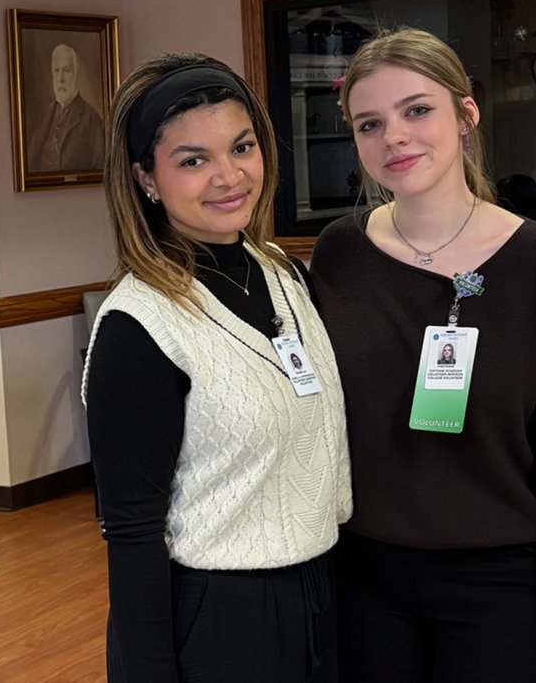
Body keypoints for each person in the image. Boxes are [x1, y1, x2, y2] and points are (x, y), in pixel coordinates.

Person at [311, 27, 536, 682]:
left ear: (466, 115)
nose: (394, 136)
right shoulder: (338, 255)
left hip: (499, 585)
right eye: (370, 123)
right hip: (364, 579)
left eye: (417, 110)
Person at [82, 52, 351, 683]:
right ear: (147, 178)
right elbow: (130, 532)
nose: (229, 176)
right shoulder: (140, 325)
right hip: (218, 617)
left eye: (242, 147)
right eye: (193, 160)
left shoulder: (284, 274)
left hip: (319, 587)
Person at [28, 43, 105, 172]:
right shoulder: (45, 115)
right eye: (56, 71)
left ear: (76, 75)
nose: (61, 79)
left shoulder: (92, 120)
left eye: (67, 70)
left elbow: (101, 169)